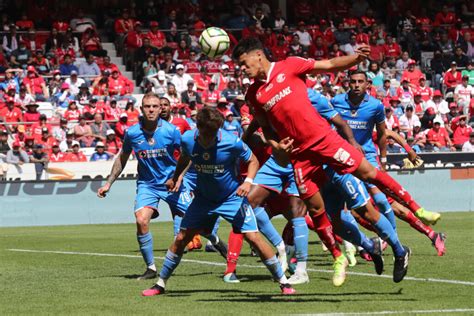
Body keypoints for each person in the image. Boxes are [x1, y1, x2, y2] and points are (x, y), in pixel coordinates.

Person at [232, 38, 430, 282]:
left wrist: (353, 145)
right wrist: (274, 144)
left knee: (365, 211)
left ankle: (400, 251)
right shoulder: (257, 94)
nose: (241, 69)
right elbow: (266, 127)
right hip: (301, 160)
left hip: (330, 159)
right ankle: (367, 248)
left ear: (258, 55)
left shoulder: (309, 92)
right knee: (331, 219)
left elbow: (337, 112)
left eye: (243, 63)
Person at [142, 107, 295, 296]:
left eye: (215, 133)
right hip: (203, 199)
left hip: (232, 197)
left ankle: (283, 282)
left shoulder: (232, 142)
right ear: (198, 128)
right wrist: (176, 177)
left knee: (253, 237)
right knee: (181, 238)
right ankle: (160, 284)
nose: (211, 137)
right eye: (207, 133)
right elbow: (184, 157)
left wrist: (248, 182)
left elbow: (253, 161)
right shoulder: (188, 139)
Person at [97, 93, 221, 281]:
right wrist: (108, 183)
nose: (152, 110)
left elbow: (188, 154)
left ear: (160, 108)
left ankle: (215, 241)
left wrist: (179, 177)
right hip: (147, 185)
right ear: (141, 109)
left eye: (155, 106)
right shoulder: (132, 133)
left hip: (172, 183)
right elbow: (122, 157)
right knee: (141, 220)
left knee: (200, 225)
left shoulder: (171, 131)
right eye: (148, 106)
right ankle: (151, 268)